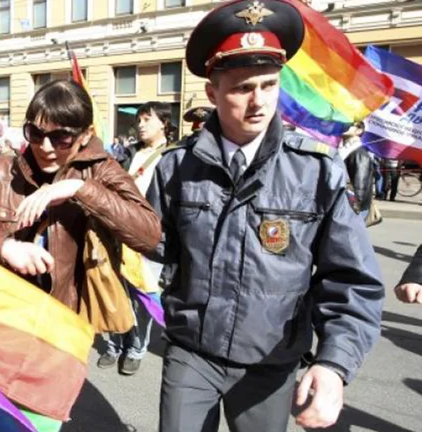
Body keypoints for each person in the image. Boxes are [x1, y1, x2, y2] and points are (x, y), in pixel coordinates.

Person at [146, 1, 385, 431]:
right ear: (212, 92)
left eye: (268, 85)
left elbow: (351, 280)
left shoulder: (316, 170)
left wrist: (334, 363)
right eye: (241, 88)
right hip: (191, 352)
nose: (258, 101)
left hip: (270, 359)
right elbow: (153, 245)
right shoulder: (175, 167)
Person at [0, 79, 160, 316]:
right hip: (0, 314)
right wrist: (3, 246)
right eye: (35, 133)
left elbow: (150, 234)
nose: (45, 147)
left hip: (64, 323)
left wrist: (80, 188)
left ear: (86, 135)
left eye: (61, 137)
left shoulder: (101, 169)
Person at [97, 101, 171, 375]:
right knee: (115, 291)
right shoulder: (127, 154)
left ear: (163, 122)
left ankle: (136, 348)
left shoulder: (173, 156)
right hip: (118, 232)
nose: (140, 125)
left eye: (147, 119)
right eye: (138, 120)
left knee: (143, 295)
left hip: (150, 238)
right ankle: (115, 344)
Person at [339, 122, 374, 219]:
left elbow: (360, 188)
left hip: (351, 208)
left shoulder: (359, 153)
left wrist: (353, 210)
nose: (343, 125)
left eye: (349, 124)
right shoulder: (344, 150)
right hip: (343, 205)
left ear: (359, 131)